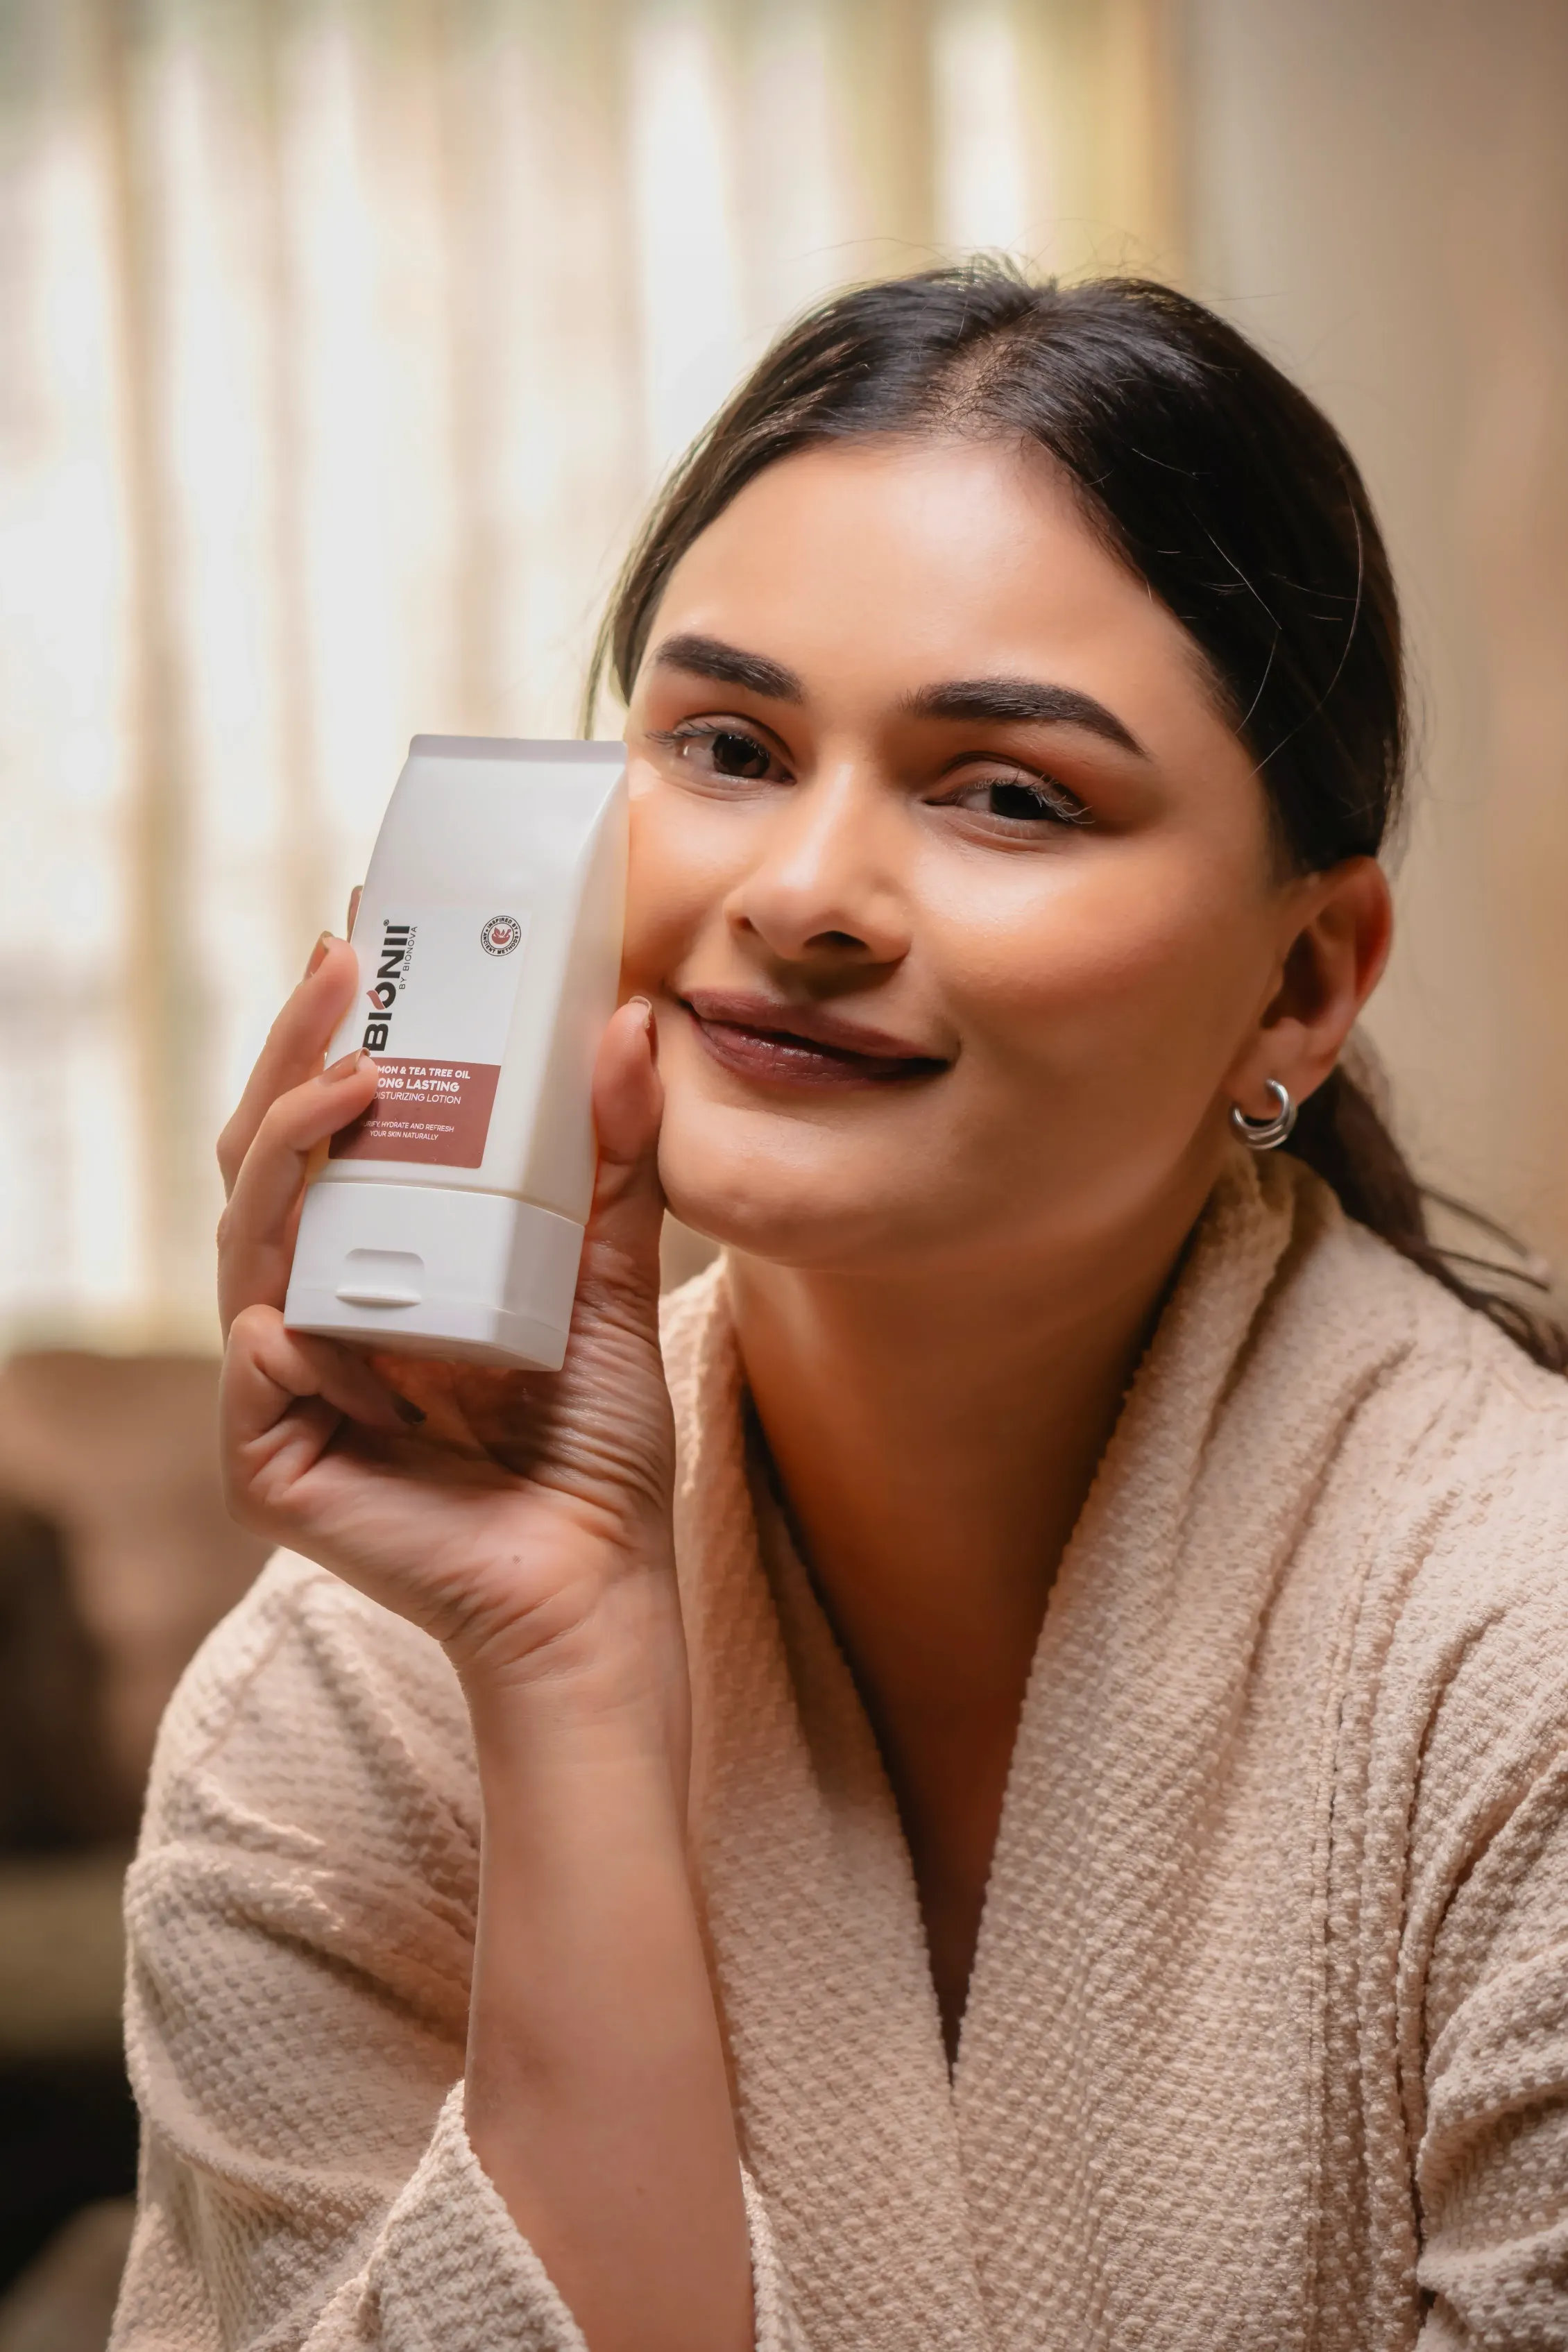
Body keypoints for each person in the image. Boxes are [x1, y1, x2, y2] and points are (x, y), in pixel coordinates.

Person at [112, 266, 1568, 2352]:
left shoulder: (1517, 1656)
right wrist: (567, 1659)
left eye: (1006, 792)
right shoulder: (353, 1698)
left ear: (1303, 980)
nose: (798, 892)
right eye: (724, 743)